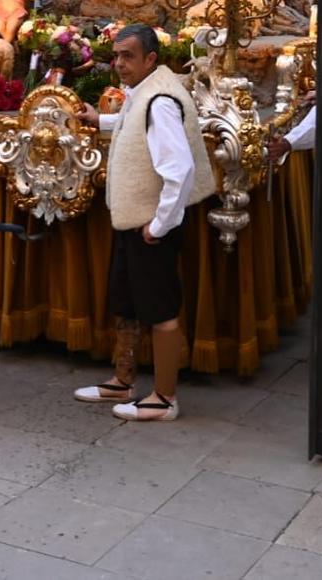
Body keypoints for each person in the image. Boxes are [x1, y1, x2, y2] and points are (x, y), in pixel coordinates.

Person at [72, 23, 213, 421]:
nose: (119, 64)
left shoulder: (161, 101)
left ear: (151, 59)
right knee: (128, 302)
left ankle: (165, 399)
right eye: (116, 56)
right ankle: (123, 380)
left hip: (151, 226)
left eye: (127, 56)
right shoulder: (146, 94)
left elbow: (179, 170)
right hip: (136, 222)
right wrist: (99, 119)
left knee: (160, 307)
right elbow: (135, 123)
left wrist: (159, 225)